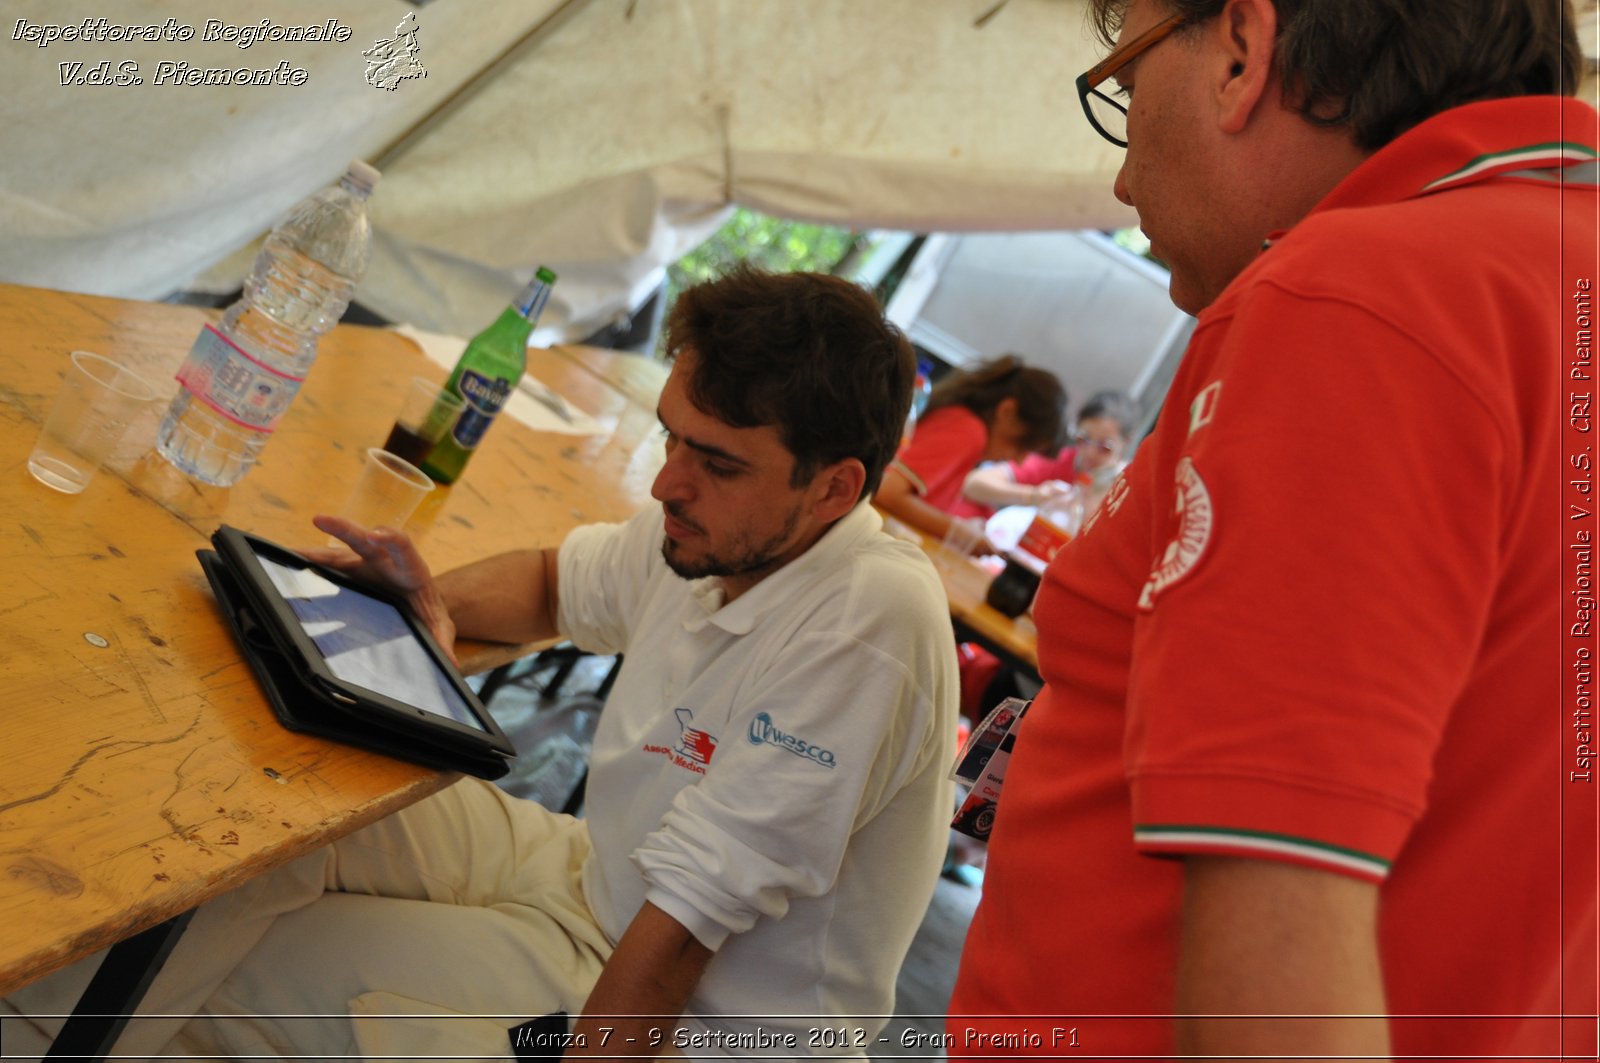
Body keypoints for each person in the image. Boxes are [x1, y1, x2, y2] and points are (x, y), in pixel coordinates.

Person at [5, 268, 958, 1060]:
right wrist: (420, 606)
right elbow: (552, 584)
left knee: (241, 985)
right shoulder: (722, 531)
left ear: (836, 487)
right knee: (279, 815)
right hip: (599, 874)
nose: (669, 479)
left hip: (701, 1018)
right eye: (670, 436)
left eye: (716, 461)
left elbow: (683, 932)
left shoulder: (868, 622)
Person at [949, 0, 1597, 1058]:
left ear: (1242, 51)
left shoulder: (1364, 296)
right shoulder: (1549, 275)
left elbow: (1280, 964)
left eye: (1123, 83)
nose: (1120, 177)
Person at [873, 354, 1067, 549]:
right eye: (1023, 446)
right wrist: (958, 531)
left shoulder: (965, 425)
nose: (1019, 461)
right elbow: (888, 492)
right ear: (1007, 411)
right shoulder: (969, 431)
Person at [961, 389, 1135, 517]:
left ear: (1125, 443)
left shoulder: (1128, 486)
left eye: (1104, 447)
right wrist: (1033, 496)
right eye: (1083, 438)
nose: (1089, 452)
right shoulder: (1062, 460)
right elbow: (973, 484)